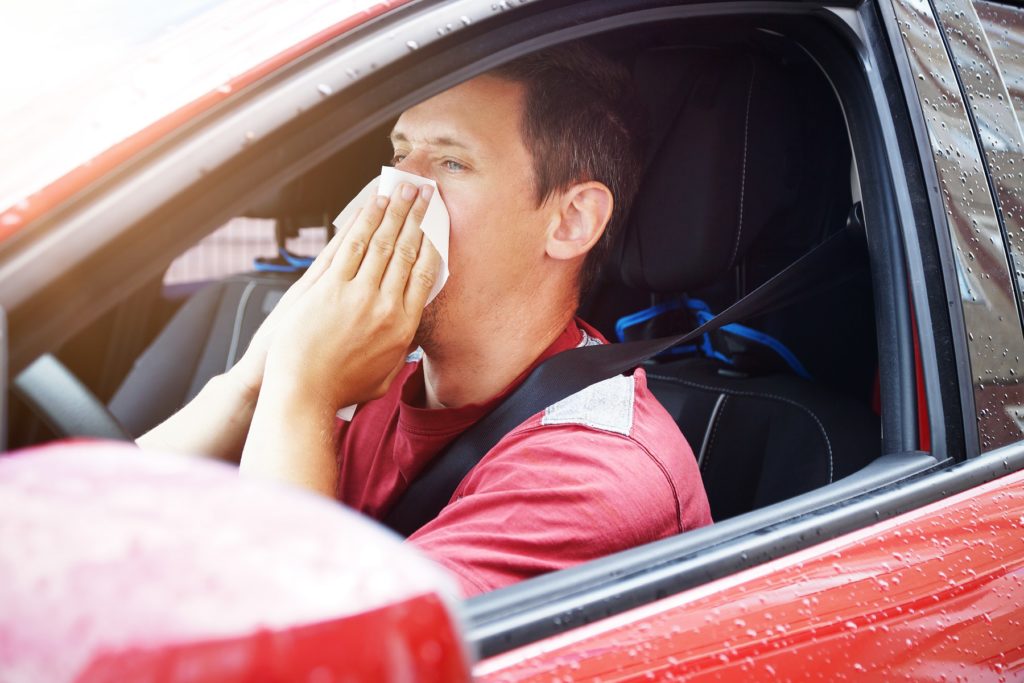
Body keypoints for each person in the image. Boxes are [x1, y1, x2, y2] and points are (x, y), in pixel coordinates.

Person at [140, 43, 711, 596]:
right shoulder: (370, 369)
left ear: (570, 222)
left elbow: (303, 649)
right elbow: (103, 523)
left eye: (451, 162)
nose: (386, 196)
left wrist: (303, 391)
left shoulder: (594, 475)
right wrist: (253, 380)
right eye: (397, 157)